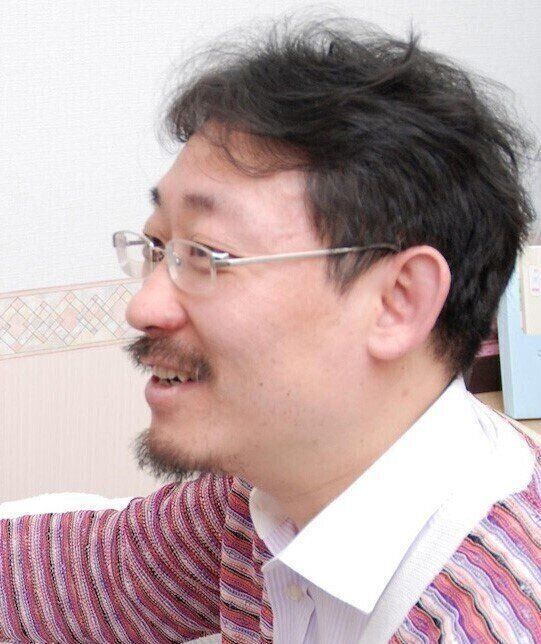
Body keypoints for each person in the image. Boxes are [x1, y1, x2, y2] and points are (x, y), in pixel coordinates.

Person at [1, 16, 539, 644]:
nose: (143, 307)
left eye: (207, 254)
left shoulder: (494, 614)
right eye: (158, 248)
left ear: (398, 302)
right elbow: (87, 579)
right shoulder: (272, 490)